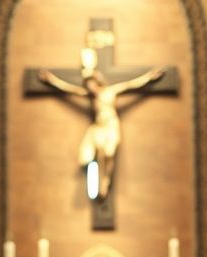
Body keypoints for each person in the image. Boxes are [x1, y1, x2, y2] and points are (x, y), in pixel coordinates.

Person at [39, 47, 166, 199]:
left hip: (110, 125)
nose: (89, 87)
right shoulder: (89, 95)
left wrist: (149, 78)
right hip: (98, 127)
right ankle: (96, 182)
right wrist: (52, 81)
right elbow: (69, 89)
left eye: (91, 83)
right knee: (91, 156)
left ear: (96, 81)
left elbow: (131, 84)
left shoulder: (110, 91)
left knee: (109, 152)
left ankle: (106, 182)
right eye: (87, 85)